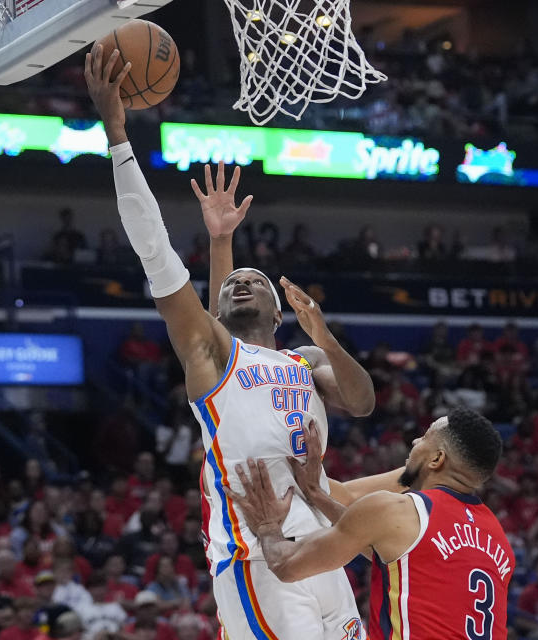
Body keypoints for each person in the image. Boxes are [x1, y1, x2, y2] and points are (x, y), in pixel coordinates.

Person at [86, 46, 377, 640]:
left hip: (327, 550)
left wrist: (322, 332)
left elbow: (362, 400)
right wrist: (118, 136)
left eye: (256, 281)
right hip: (257, 557)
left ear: (278, 309)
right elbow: (159, 257)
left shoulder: (305, 358)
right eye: (235, 282)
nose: (244, 282)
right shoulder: (214, 358)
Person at [226, 406, 513, 640]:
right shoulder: (499, 539)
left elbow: (287, 566)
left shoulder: (397, 510)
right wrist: (317, 495)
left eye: (425, 437)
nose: (415, 442)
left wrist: (267, 528)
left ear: (437, 459)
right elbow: (398, 557)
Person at [73, 572, 126, 640]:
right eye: (95, 588)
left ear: (106, 588)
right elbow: (76, 634)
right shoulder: (80, 608)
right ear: (88, 590)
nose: (99, 591)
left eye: (101, 587)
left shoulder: (116, 607)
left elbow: (124, 630)